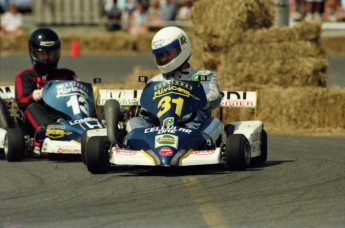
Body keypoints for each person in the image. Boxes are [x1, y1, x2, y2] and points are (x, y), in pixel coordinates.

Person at [126, 26, 223, 144]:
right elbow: (147, 112)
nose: (164, 58)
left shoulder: (203, 76)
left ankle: (201, 145)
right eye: (160, 55)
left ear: (182, 48)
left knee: (215, 122)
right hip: (159, 132)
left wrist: (193, 99)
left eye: (168, 53)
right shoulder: (155, 81)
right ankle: (141, 146)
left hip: (193, 131)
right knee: (134, 122)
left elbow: (214, 97)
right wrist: (141, 110)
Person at [15, 28, 79, 152]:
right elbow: (21, 101)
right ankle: (49, 133)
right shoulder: (25, 76)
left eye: (51, 54)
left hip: (66, 115)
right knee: (31, 107)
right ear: (34, 53)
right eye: (43, 54)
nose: (48, 58)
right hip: (40, 117)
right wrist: (34, 95)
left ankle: (84, 131)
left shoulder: (68, 74)